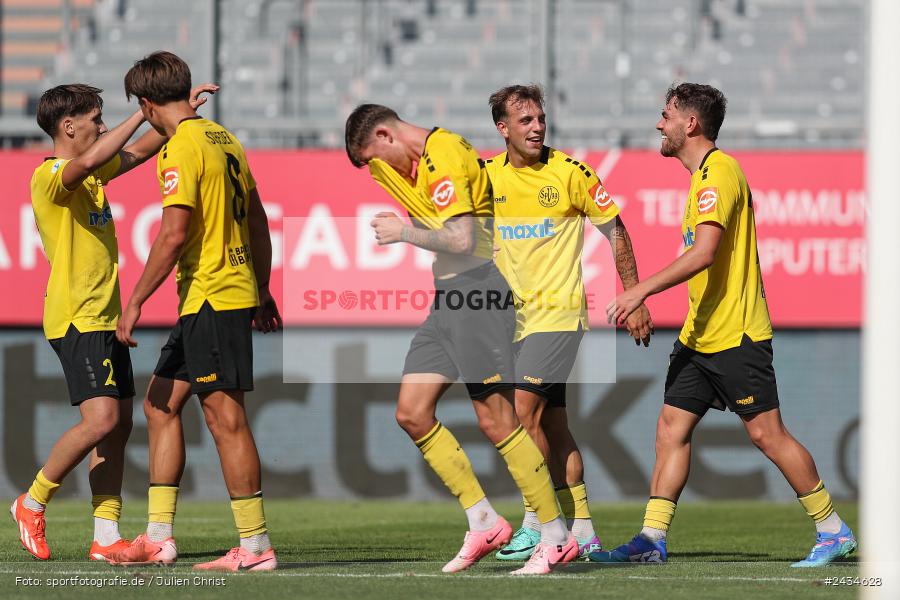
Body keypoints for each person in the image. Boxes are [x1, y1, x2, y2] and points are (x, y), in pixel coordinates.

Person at [596, 82, 857, 567]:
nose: (659, 123)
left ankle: (832, 529)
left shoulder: (720, 173)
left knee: (767, 435)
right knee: (670, 428)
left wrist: (638, 291)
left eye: (665, 114)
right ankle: (652, 540)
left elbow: (705, 253)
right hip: (699, 335)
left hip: (735, 334)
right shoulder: (700, 178)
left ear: (689, 123)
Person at [345, 104, 578, 575]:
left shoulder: (446, 153)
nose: (375, 170)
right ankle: (484, 520)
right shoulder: (402, 162)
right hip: (447, 298)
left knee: (497, 421)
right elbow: (388, 170)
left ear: (387, 135)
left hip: (479, 292)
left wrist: (402, 233)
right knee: (411, 412)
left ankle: (555, 536)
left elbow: (463, 238)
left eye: (374, 157)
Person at [14, 81, 214, 561]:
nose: (102, 127)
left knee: (118, 426)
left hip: (105, 318)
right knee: (101, 419)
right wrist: (141, 116)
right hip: (76, 318)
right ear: (69, 126)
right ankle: (32, 500)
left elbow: (142, 152)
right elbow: (86, 162)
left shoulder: (95, 177)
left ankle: (105, 537)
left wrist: (172, 111)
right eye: (96, 119)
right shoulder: (51, 174)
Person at [108, 52, 281, 572]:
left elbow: (174, 233)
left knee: (225, 419)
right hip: (217, 295)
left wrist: (135, 299)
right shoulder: (224, 139)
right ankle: (159, 537)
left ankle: (254, 547)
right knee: (161, 404)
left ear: (144, 103)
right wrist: (263, 288)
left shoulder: (181, 148)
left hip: (213, 296)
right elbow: (257, 221)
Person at [484, 85, 654, 562]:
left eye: (540, 117)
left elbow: (615, 229)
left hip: (558, 314)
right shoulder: (485, 177)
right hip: (508, 322)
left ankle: (541, 525)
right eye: (525, 121)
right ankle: (583, 529)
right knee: (553, 425)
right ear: (503, 128)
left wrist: (633, 295)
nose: (537, 126)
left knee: (520, 417)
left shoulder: (570, 172)